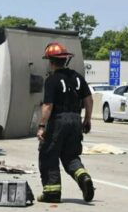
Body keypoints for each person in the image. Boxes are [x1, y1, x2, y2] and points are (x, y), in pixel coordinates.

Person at [36, 42, 95, 203]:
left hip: (58, 120)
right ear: (66, 60)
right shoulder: (77, 78)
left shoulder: (52, 80)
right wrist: (87, 120)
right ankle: (83, 177)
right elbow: (89, 100)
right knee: (70, 156)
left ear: (50, 61)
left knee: (48, 154)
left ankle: (52, 192)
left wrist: (41, 126)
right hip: (76, 120)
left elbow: (48, 106)